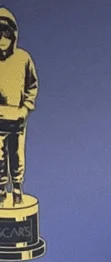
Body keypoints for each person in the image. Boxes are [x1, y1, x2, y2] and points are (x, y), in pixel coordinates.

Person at [0, 7, 38, 207]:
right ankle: (0, 191)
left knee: (16, 156)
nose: (2, 40)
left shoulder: (23, 59)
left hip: (17, 121)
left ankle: (16, 191)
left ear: (13, 35)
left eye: (5, 34)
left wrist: (25, 108)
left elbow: (32, 85)